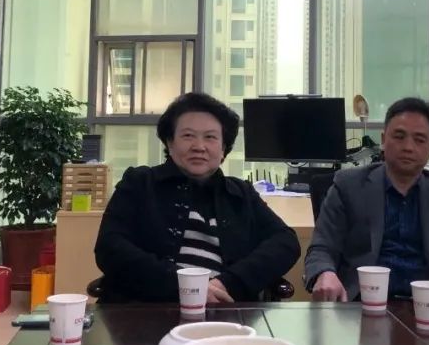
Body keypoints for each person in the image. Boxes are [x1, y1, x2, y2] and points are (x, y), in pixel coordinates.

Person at [94, 92, 300, 303]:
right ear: (170, 143)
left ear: (223, 149)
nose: (199, 146)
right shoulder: (140, 182)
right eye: (188, 136)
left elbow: (286, 242)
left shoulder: (241, 194)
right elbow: (110, 247)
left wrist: (229, 283)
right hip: (147, 309)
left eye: (210, 137)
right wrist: (187, 287)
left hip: (224, 311)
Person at [303, 97, 429, 336]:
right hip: (358, 310)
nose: (408, 147)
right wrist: (325, 273)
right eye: (399, 136)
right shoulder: (348, 186)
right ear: (383, 139)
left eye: (419, 139)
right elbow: (321, 248)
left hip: (427, 311)